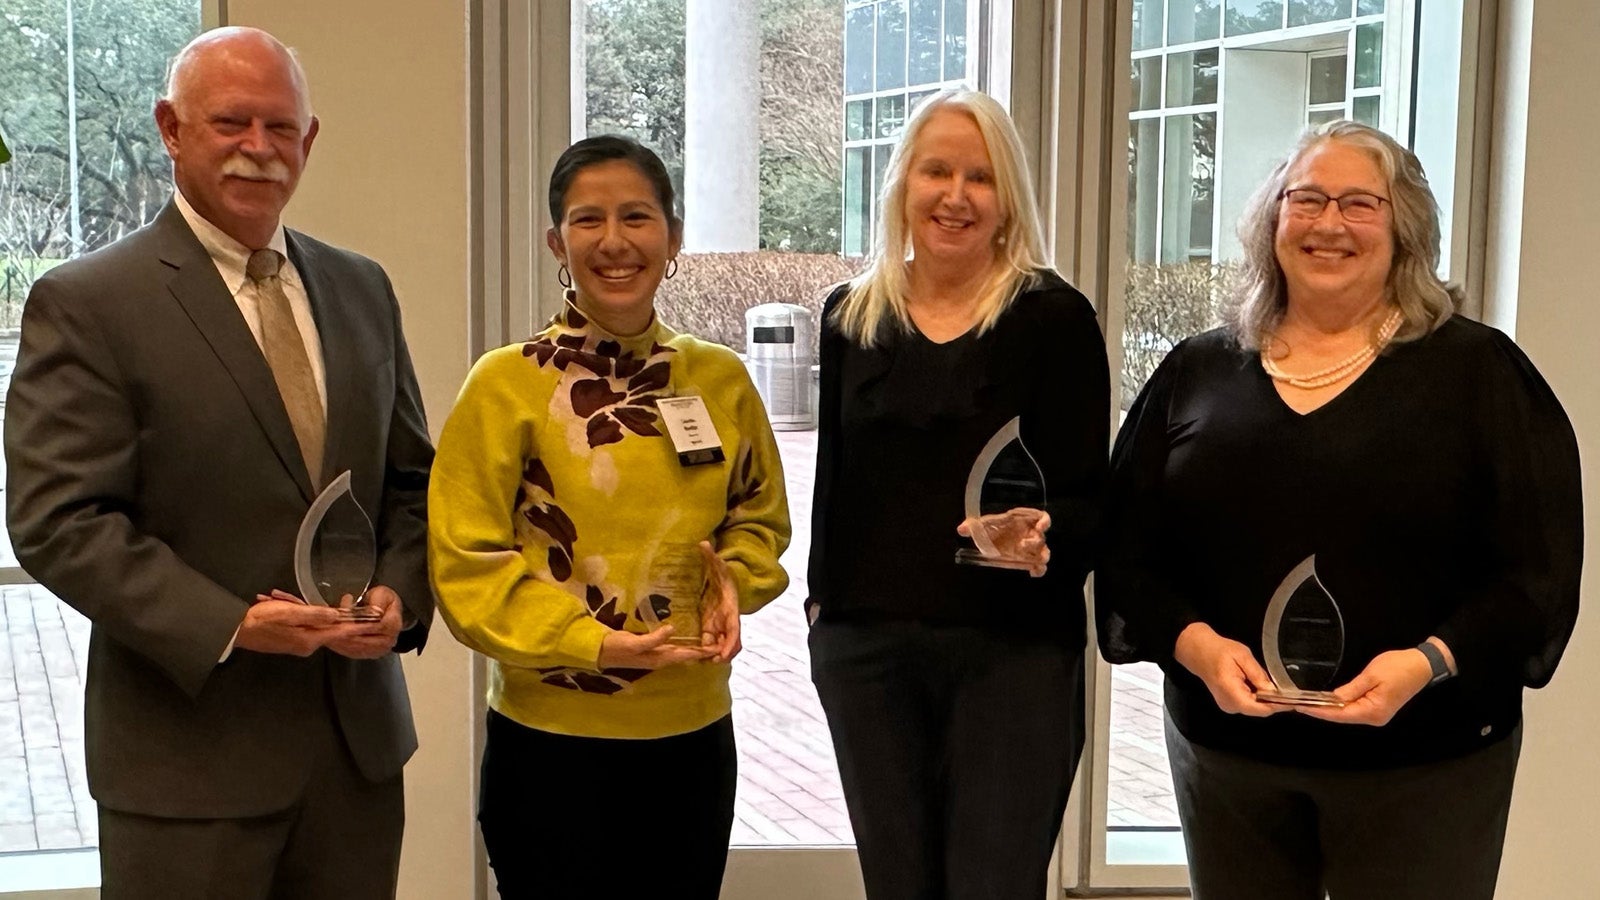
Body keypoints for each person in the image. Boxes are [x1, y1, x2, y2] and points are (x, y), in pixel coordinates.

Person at [1097, 120, 1582, 900]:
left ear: (1404, 229)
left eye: (1360, 203)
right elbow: (1126, 554)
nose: (1329, 223)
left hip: (1426, 763)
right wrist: (1197, 647)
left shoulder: (1478, 374)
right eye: (1308, 199)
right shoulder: (1198, 371)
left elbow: (1537, 574)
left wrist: (1426, 663)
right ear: (1273, 219)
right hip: (1231, 761)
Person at [2, 26, 434, 900]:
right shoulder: (88, 302)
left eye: (281, 127)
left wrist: (399, 590)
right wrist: (233, 623)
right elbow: (58, 521)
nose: (258, 147)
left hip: (355, 761)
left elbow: (412, 484)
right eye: (231, 122)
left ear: (309, 140)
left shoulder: (363, 288)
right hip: (186, 770)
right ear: (170, 128)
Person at [428, 135, 791, 898]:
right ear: (556, 243)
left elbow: (759, 520)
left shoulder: (718, 380)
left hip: (693, 740)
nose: (615, 240)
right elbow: (466, 566)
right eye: (588, 219)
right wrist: (592, 643)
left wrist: (733, 585)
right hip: (550, 747)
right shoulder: (504, 387)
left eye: (637, 216)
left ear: (673, 238)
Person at [806, 89, 1108, 900]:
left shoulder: (1054, 319)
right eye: (936, 171)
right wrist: (822, 612)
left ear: (1007, 198)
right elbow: (836, 480)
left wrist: (1046, 533)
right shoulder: (851, 316)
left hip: (1013, 655)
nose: (955, 195)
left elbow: (1093, 498)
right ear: (903, 182)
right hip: (868, 654)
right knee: (896, 884)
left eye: (980, 177)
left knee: (991, 885)